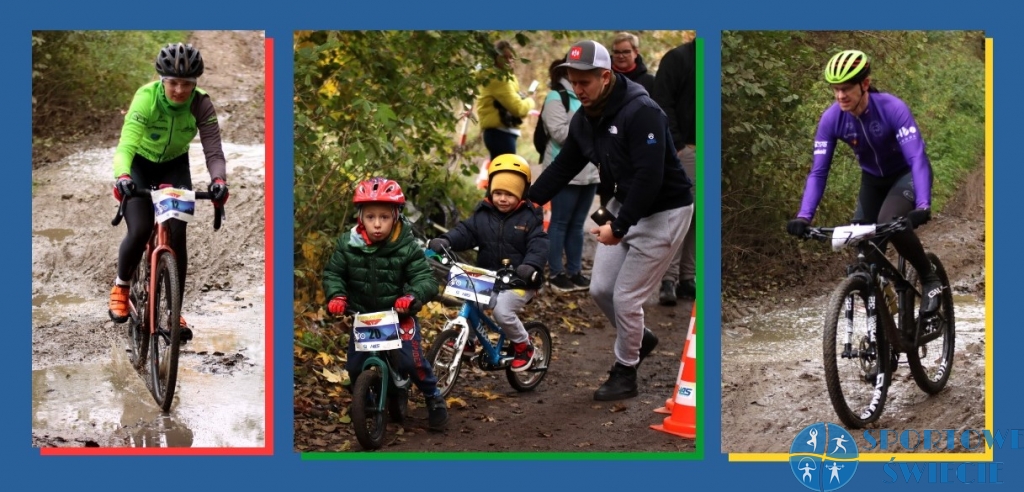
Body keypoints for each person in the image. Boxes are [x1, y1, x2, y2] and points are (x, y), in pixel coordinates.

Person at [528, 41, 694, 401]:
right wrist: (528, 202)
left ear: (606, 76)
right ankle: (639, 337)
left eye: (585, 81)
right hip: (625, 203)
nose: (578, 89)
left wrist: (618, 227)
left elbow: (650, 177)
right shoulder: (584, 119)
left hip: (665, 211)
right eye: (573, 81)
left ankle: (625, 374)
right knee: (601, 290)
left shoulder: (641, 111)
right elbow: (563, 166)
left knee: (626, 297)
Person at [786, 50, 942, 316]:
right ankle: (886, 299)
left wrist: (922, 205)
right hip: (872, 180)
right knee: (863, 239)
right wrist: (804, 216)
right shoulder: (832, 119)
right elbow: (819, 171)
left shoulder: (892, 109)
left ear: (865, 84)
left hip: (906, 174)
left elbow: (916, 157)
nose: (840, 96)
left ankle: (930, 278)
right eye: (835, 90)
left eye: (846, 89)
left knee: (890, 221)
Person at [108, 42, 230, 343]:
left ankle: (173, 311)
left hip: (174, 167)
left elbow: (214, 151)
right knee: (139, 229)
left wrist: (218, 181)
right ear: (160, 79)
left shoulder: (201, 103)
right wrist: (122, 175)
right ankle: (122, 286)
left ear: (195, 83)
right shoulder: (146, 99)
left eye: (186, 84)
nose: (178, 90)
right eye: (172, 82)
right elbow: (126, 146)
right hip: (139, 165)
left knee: (177, 238)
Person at [322, 177, 449, 431]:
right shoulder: (347, 245)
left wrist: (412, 297)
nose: (377, 224)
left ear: (396, 217)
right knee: (355, 366)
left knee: (411, 362)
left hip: (399, 314)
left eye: (384, 217)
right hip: (365, 316)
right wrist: (336, 296)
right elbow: (334, 274)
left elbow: (425, 278)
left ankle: (433, 396)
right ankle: (367, 399)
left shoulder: (407, 246)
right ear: (360, 218)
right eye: (370, 217)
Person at [428, 154, 549, 372]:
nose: (503, 199)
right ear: (490, 191)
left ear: (522, 194)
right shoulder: (482, 214)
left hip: (519, 281)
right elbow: (465, 232)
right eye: (498, 193)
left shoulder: (530, 219)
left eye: (510, 194)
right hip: (489, 275)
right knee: (469, 298)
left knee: (503, 312)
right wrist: (446, 240)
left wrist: (531, 266)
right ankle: (470, 340)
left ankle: (523, 345)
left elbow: (538, 246)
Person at [539, 58, 600, 293]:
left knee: (577, 224)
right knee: (560, 222)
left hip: (591, 172)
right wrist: (592, 129)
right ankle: (556, 273)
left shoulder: (594, 96)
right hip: (564, 171)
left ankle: (575, 272)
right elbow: (559, 133)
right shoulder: (557, 97)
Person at [653, 37, 698, 306]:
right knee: (680, 214)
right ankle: (667, 280)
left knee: (699, 218)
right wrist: (677, 145)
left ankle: (687, 279)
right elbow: (662, 103)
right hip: (685, 150)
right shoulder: (678, 58)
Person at [476, 40, 536, 161]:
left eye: (511, 57)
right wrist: (531, 101)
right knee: (506, 176)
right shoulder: (498, 78)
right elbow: (517, 108)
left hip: (499, 133)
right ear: (495, 58)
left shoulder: (502, 76)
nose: (509, 61)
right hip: (500, 134)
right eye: (504, 57)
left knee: (500, 176)